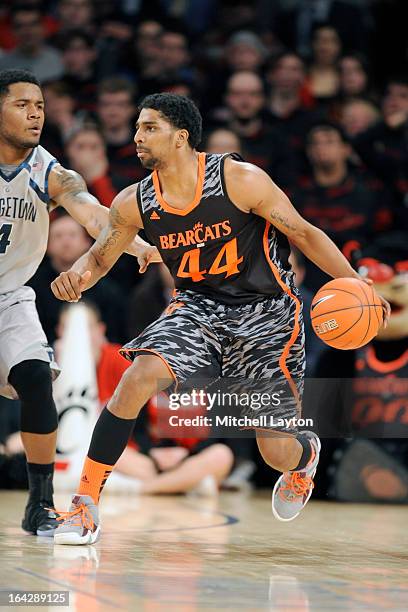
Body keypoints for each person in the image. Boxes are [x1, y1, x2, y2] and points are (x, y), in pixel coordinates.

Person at [51, 93, 390, 545]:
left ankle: (305, 453)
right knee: (137, 377)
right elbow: (100, 255)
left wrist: (357, 283)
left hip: (266, 315)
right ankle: (85, 505)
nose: (137, 136)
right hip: (198, 308)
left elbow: (304, 233)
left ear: (181, 137)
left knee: (275, 452)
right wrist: (78, 275)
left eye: (149, 127)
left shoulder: (239, 179)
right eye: (137, 127)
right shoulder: (135, 202)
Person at [0, 69, 158, 537]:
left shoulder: (48, 169)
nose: (35, 114)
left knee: (35, 380)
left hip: (10, 296)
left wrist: (136, 244)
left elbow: (92, 213)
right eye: (22, 104)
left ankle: (40, 504)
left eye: (41, 106)